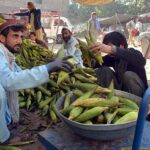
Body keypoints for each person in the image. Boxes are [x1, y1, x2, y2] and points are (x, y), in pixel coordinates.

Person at [0, 21, 73, 144]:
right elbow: (9, 80)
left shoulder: (8, 56)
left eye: (21, 37)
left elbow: (21, 74)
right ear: (2, 38)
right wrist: (47, 68)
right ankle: (3, 138)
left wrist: (49, 69)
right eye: (15, 36)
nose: (20, 41)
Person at [90, 31, 148, 97]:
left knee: (128, 75)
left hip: (138, 93)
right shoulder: (112, 57)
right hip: (123, 90)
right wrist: (89, 60)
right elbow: (97, 63)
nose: (109, 52)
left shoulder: (133, 53)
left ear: (122, 45)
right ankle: (109, 97)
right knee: (104, 70)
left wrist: (113, 49)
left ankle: (136, 104)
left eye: (111, 46)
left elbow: (141, 61)